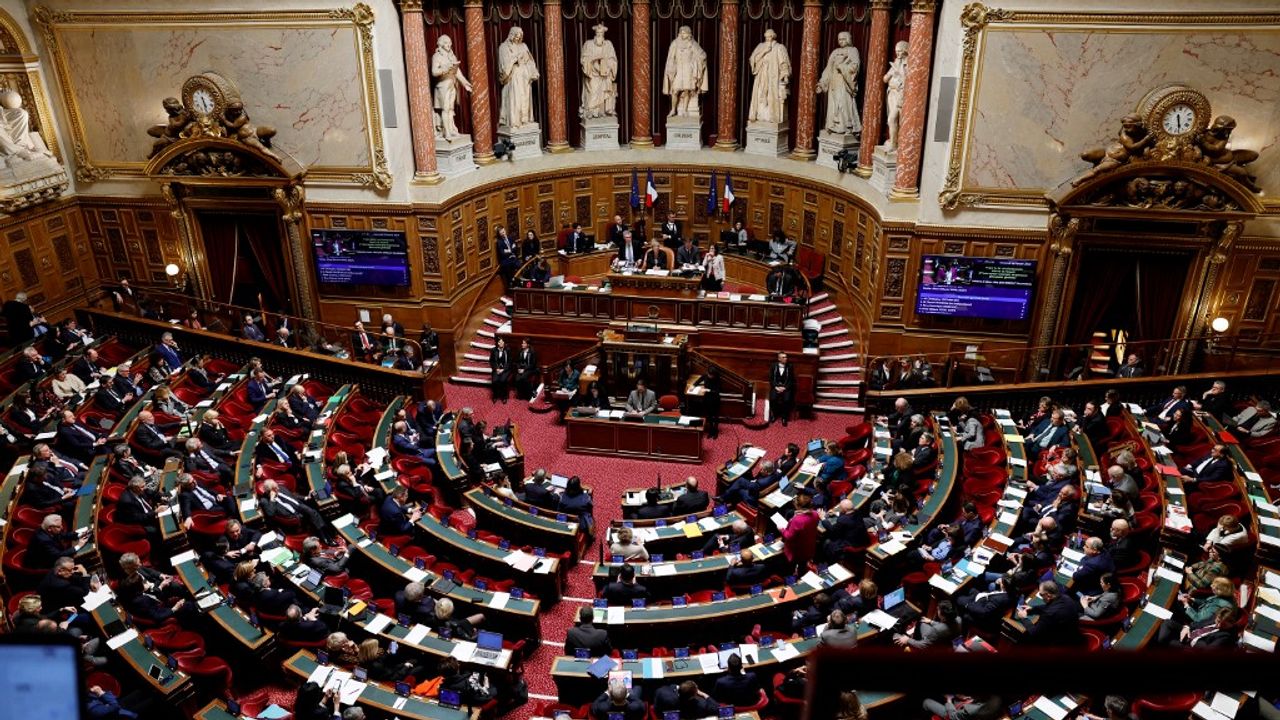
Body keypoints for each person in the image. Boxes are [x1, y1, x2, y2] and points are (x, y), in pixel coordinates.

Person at [260, 477, 334, 544]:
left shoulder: (280, 488)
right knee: (313, 512)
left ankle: (324, 535)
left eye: (277, 486)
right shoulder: (264, 501)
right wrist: (272, 499)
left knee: (314, 511)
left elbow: (292, 495)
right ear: (270, 491)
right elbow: (271, 514)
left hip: (299, 506)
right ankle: (326, 535)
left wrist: (305, 497)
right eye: (275, 488)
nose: (278, 489)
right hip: (292, 515)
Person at [497, 26, 540, 129]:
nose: (518, 39)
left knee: (525, 98)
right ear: (511, 35)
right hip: (513, 76)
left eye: (520, 37)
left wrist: (532, 69)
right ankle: (515, 121)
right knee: (516, 99)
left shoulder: (524, 46)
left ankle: (525, 120)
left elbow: (530, 61)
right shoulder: (504, 47)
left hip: (525, 76)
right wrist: (516, 58)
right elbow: (504, 65)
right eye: (516, 36)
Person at [432, 35, 472, 141]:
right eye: (445, 43)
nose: (448, 45)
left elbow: (457, 72)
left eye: (449, 42)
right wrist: (445, 68)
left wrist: (465, 83)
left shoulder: (452, 56)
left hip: (452, 85)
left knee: (450, 109)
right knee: (445, 109)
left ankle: (450, 129)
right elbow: (434, 72)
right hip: (442, 86)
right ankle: (447, 132)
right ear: (440, 44)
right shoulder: (437, 56)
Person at [1016, 581, 1081, 646]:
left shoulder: (1049, 614)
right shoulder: (1066, 597)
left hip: (1059, 642)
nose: (1040, 596)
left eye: (1041, 594)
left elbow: (1035, 633)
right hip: (1072, 631)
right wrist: (1033, 609)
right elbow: (1049, 606)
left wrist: (1024, 618)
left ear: (1048, 596)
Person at [783, 492, 820, 573]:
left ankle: (792, 579)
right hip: (809, 545)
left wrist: (781, 529)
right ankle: (801, 576)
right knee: (802, 566)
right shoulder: (815, 514)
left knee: (790, 567)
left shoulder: (797, 520)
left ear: (798, 506)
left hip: (797, 549)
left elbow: (789, 536)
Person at [653, 680, 718, 719]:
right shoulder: (700, 705)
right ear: (693, 696)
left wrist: (674, 686)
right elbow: (716, 708)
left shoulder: (662, 692)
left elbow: (656, 707)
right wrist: (703, 694)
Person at [769, 351, 795, 426]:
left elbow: (791, 380)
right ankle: (774, 414)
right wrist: (776, 387)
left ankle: (784, 417)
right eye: (783, 357)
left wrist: (784, 388)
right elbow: (771, 379)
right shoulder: (773, 366)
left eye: (786, 357)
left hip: (786, 387)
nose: (786, 358)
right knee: (773, 398)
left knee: (787, 400)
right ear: (779, 359)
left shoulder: (790, 366)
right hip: (776, 387)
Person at [489, 337, 512, 403]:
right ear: (497, 343)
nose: (501, 343)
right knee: (494, 381)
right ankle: (495, 395)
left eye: (502, 342)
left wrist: (503, 369)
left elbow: (509, 362)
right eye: (499, 342)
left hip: (505, 369)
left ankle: (504, 396)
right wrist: (496, 369)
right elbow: (491, 361)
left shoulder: (507, 350)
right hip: (496, 369)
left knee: (502, 380)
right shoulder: (493, 350)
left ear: (504, 343)